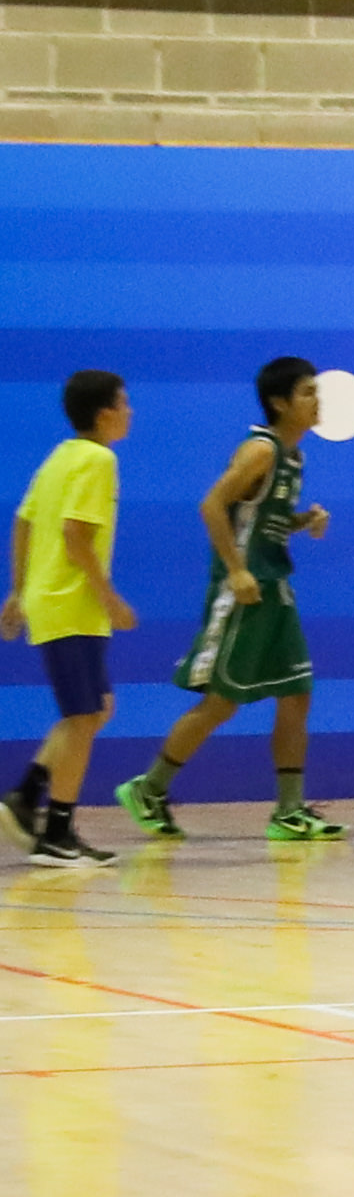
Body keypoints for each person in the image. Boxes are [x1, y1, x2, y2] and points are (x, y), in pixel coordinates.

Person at [115, 357, 344, 844]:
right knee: (221, 703)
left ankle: (288, 811)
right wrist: (237, 571)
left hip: (275, 588)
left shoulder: (294, 457)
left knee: (297, 694)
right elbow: (213, 505)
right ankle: (149, 789)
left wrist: (303, 521)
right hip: (244, 594)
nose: (317, 400)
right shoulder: (261, 450)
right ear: (279, 402)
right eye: (307, 392)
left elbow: (257, 520)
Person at [4, 367, 133, 871]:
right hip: (72, 603)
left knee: (98, 709)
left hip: (54, 601)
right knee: (83, 718)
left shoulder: (60, 456)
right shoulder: (100, 460)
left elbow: (23, 522)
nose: (129, 412)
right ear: (104, 415)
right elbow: (76, 535)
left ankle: (26, 796)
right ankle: (57, 833)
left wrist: (19, 591)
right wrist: (111, 599)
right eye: (123, 403)